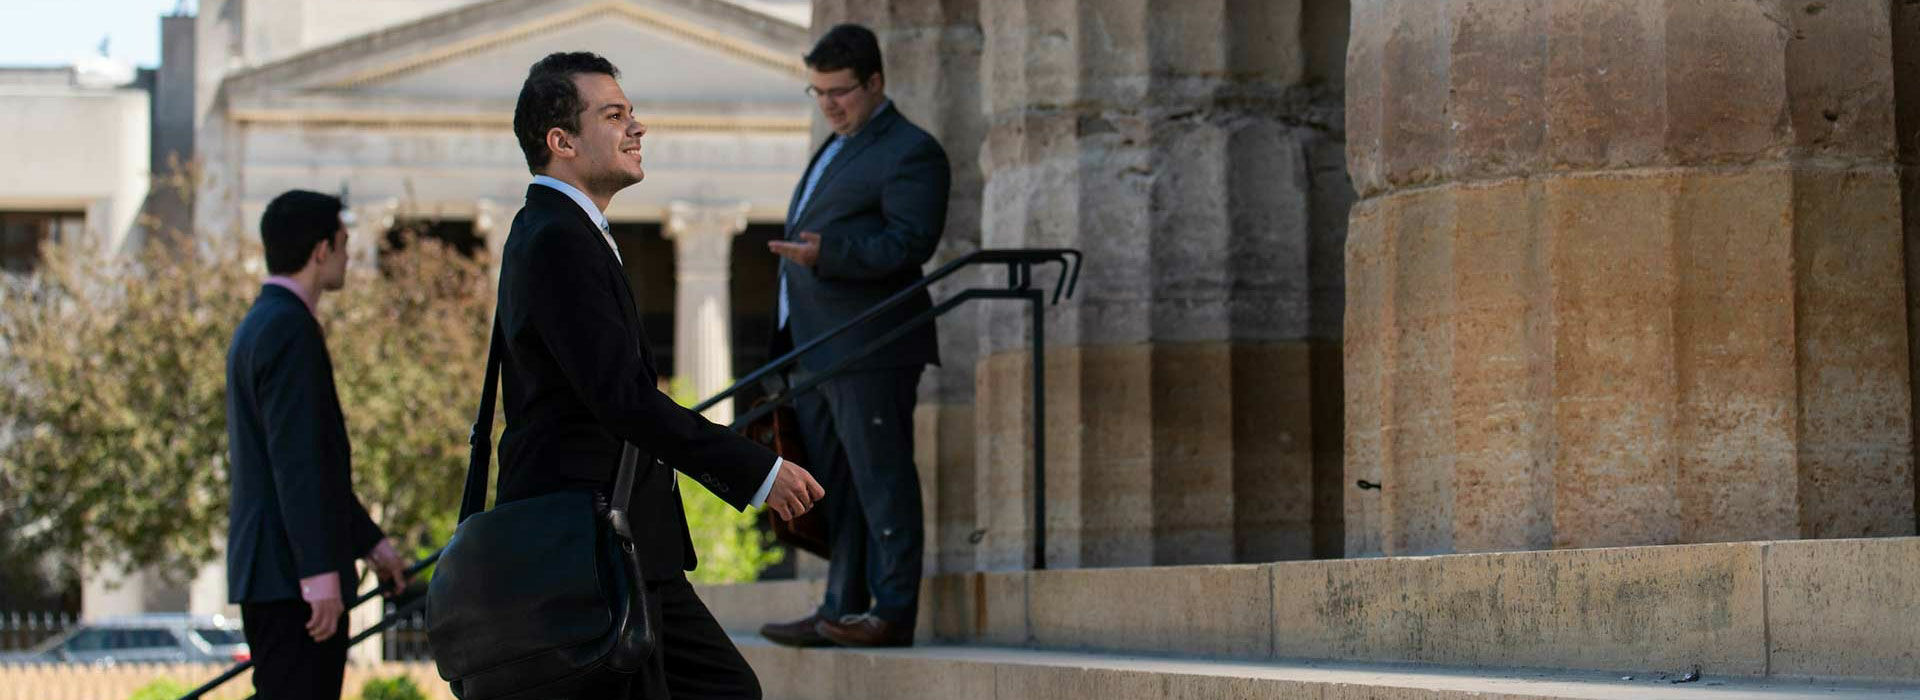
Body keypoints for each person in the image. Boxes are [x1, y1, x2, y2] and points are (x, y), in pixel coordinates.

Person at [495, 51, 825, 699]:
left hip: (621, 543)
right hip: (588, 545)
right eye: (614, 115)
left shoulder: (563, 230)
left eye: (633, 113)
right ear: (560, 141)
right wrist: (755, 469)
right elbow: (623, 399)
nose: (636, 128)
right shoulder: (556, 237)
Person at [758, 23, 951, 649]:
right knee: (835, 486)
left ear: (875, 82)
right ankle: (840, 607)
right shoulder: (838, 145)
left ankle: (892, 612)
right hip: (816, 349)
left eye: (840, 91)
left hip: (871, 348)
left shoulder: (909, 150)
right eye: (818, 92)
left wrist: (828, 253)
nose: (829, 105)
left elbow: (911, 242)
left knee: (882, 479)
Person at [225, 190, 410, 700]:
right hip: (293, 582)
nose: (350, 254)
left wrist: (369, 541)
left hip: (278, 576)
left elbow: (310, 462)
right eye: (345, 242)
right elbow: (298, 464)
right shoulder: (290, 330)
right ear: (321, 249)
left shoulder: (262, 322)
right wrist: (318, 575)